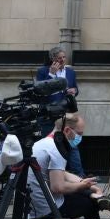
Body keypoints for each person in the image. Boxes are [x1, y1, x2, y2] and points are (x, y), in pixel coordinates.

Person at [27, 113, 103, 219]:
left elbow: (64, 174)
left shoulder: (42, 143)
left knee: (82, 191)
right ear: (67, 130)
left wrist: (88, 185)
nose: (80, 138)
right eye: (79, 134)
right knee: (92, 204)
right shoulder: (56, 149)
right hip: (48, 209)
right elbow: (58, 187)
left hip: (36, 207)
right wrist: (83, 185)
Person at [35, 47, 82, 177]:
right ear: (53, 59)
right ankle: (49, 176)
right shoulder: (43, 72)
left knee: (73, 145)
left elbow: (76, 88)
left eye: (63, 57)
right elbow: (39, 92)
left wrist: (74, 91)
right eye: (59, 58)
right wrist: (51, 74)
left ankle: (79, 176)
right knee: (50, 146)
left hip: (66, 116)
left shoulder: (71, 72)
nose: (62, 60)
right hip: (48, 116)